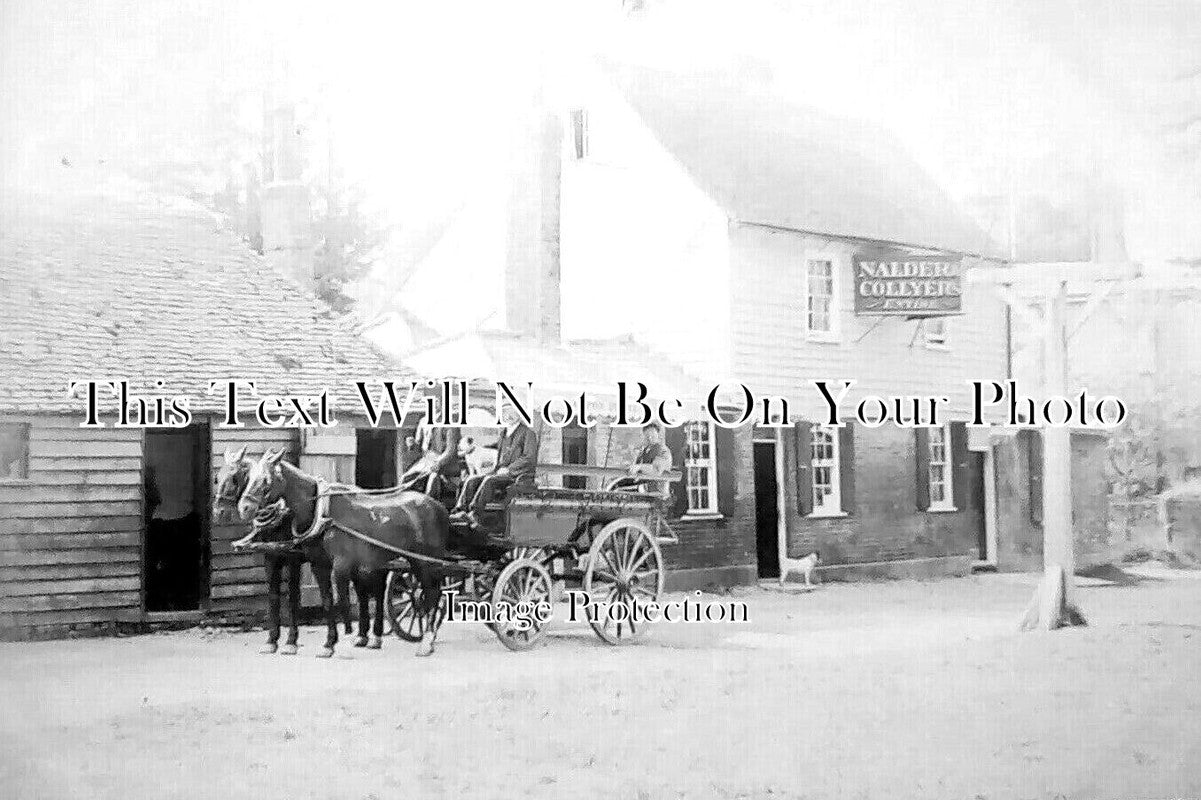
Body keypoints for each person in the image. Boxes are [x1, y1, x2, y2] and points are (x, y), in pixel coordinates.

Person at [450, 406, 538, 526]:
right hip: (500, 472)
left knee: (489, 480)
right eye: (505, 413)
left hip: (518, 476)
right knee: (472, 479)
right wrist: (475, 448)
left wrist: (509, 469)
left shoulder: (528, 434)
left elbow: (529, 458)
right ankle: (461, 510)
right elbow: (495, 448)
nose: (508, 415)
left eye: (513, 412)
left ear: (519, 415)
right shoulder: (503, 434)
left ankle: (475, 513)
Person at [607, 422, 673, 495]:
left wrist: (639, 467)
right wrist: (636, 458)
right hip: (643, 483)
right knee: (613, 485)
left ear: (658, 435)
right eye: (647, 436)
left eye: (652, 435)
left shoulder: (663, 450)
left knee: (616, 490)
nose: (650, 438)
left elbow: (656, 470)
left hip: (656, 489)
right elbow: (635, 469)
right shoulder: (645, 450)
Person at [400, 424, 463, 496]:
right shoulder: (423, 421)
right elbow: (421, 448)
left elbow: (451, 451)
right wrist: (413, 444)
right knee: (405, 478)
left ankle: (429, 504)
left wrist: (439, 463)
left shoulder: (450, 426)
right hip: (426, 462)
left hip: (445, 462)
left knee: (433, 478)